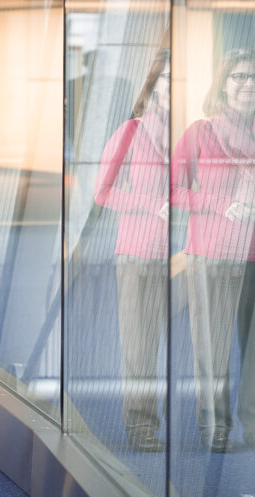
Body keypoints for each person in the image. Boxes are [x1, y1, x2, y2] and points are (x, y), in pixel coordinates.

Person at [171, 49, 255, 452]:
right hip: (214, 252)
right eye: (239, 76)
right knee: (212, 347)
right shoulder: (199, 133)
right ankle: (214, 425)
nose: (249, 84)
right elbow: (174, 188)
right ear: (223, 83)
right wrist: (217, 204)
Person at [93, 49, 170, 452]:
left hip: (192, 253)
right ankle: (143, 426)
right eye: (168, 79)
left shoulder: (198, 134)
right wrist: (149, 203)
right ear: (154, 85)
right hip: (140, 252)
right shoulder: (131, 131)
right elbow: (103, 192)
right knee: (141, 345)